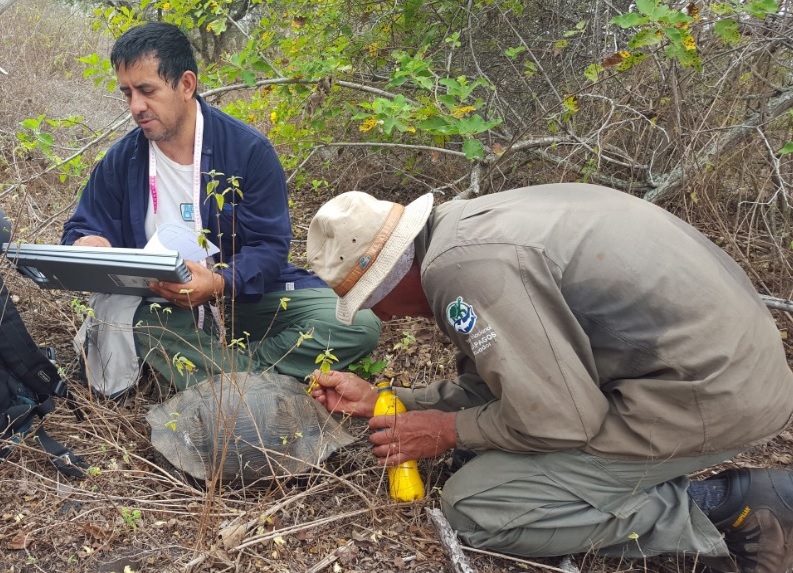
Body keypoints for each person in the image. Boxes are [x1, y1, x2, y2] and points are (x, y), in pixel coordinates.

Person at [305, 184, 793, 572]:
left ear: (392, 275)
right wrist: (392, 401)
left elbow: (561, 419)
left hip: (712, 395)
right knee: (488, 446)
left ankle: (732, 511)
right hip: (727, 369)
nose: (383, 317)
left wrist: (447, 431)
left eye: (371, 300)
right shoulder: (463, 229)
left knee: (480, 504)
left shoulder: (467, 270)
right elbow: (507, 382)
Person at [62, 22, 380, 393]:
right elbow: (82, 227)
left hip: (239, 299)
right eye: (127, 93)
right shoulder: (121, 160)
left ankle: (224, 375)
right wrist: (87, 242)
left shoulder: (247, 151)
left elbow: (270, 246)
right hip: (164, 305)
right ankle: (251, 383)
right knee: (130, 320)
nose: (136, 107)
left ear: (186, 85)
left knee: (358, 324)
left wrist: (217, 282)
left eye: (147, 91)